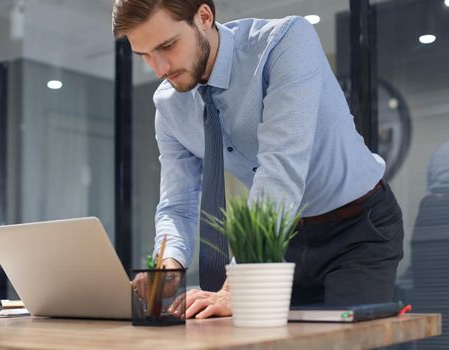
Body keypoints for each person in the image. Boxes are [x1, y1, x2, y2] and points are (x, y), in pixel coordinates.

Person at [112, 0, 404, 319]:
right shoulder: (169, 106)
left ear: (204, 17)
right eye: (144, 55)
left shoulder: (285, 41)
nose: (160, 68)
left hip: (358, 228)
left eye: (168, 45)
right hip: (281, 236)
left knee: (343, 342)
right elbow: (177, 203)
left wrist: (236, 287)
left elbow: (281, 169)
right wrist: (168, 266)